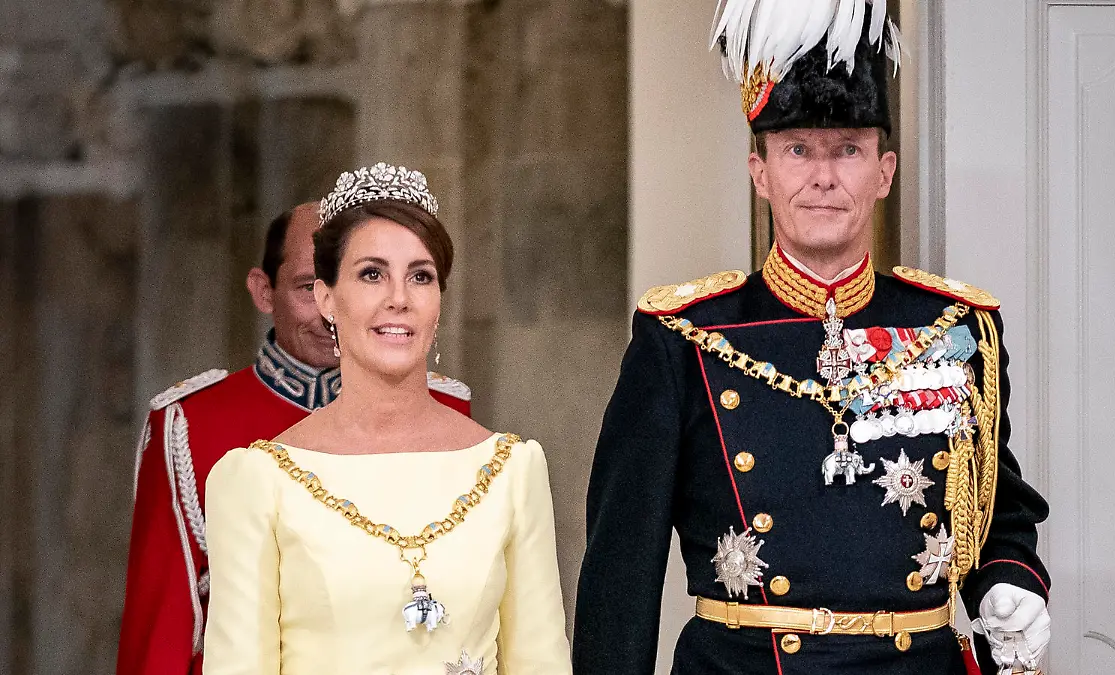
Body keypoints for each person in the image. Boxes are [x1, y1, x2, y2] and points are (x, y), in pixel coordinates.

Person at [572, 2, 1051, 674]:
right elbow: (622, 568)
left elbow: (991, 507)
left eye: (847, 150)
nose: (823, 176)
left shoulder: (954, 327)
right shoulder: (683, 338)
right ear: (759, 170)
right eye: (797, 149)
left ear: (883, 172)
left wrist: (1010, 581)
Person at [201, 163, 572, 675]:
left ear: (439, 300)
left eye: (420, 277)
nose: (399, 298)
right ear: (326, 298)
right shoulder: (258, 482)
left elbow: (542, 665)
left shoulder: (511, 469)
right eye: (372, 274)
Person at [117, 201, 471, 675]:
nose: (332, 311)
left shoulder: (447, 411)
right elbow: (161, 633)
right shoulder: (193, 423)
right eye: (310, 287)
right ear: (264, 291)